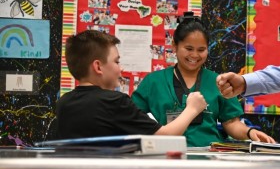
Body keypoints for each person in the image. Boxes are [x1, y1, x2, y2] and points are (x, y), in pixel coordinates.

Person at [132, 13, 275, 147]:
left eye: (201, 50)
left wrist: (249, 133)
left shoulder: (219, 81)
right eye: (188, 48)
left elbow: (231, 123)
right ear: (174, 47)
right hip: (165, 155)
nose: (194, 55)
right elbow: (134, 119)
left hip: (209, 157)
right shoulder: (153, 81)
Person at [53, 29, 207, 140]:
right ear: (98, 67)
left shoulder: (63, 103)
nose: (121, 68)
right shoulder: (115, 101)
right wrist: (192, 109)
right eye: (116, 61)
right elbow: (165, 136)